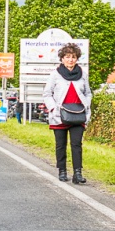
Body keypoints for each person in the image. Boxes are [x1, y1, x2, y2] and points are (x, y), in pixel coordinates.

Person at [41, 43, 92, 184]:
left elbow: (88, 93)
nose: (70, 60)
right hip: (60, 116)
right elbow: (47, 94)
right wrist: (53, 109)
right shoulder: (55, 74)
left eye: (73, 57)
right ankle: (62, 171)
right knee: (60, 145)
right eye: (67, 57)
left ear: (77, 58)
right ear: (62, 58)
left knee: (76, 144)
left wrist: (87, 107)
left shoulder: (82, 75)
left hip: (78, 115)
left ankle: (78, 173)